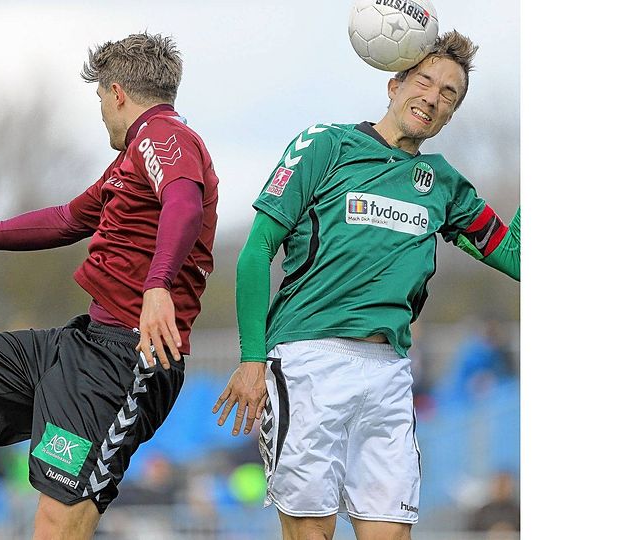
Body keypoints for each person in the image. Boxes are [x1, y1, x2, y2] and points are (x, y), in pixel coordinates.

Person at [212, 30, 519, 540]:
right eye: (424, 82)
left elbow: (516, 257)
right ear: (395, 85)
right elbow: (256, 251)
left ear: (450, 115)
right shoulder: (326, 145)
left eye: (448, 94)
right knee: (311, 530)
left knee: (392, 533)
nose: (433, 98)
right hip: (309, 362)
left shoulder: (444, 184)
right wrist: (251, 358)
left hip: (389, 372)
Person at [0, 32, 219, 539]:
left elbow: (184, 203)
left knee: (58, 520)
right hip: (79, 343)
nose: (101, 111)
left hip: (124, 358)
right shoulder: (130, 161)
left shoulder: (164, 136)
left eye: (100, 97)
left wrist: (158, 285)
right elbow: (64, 220)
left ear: (117, 93)